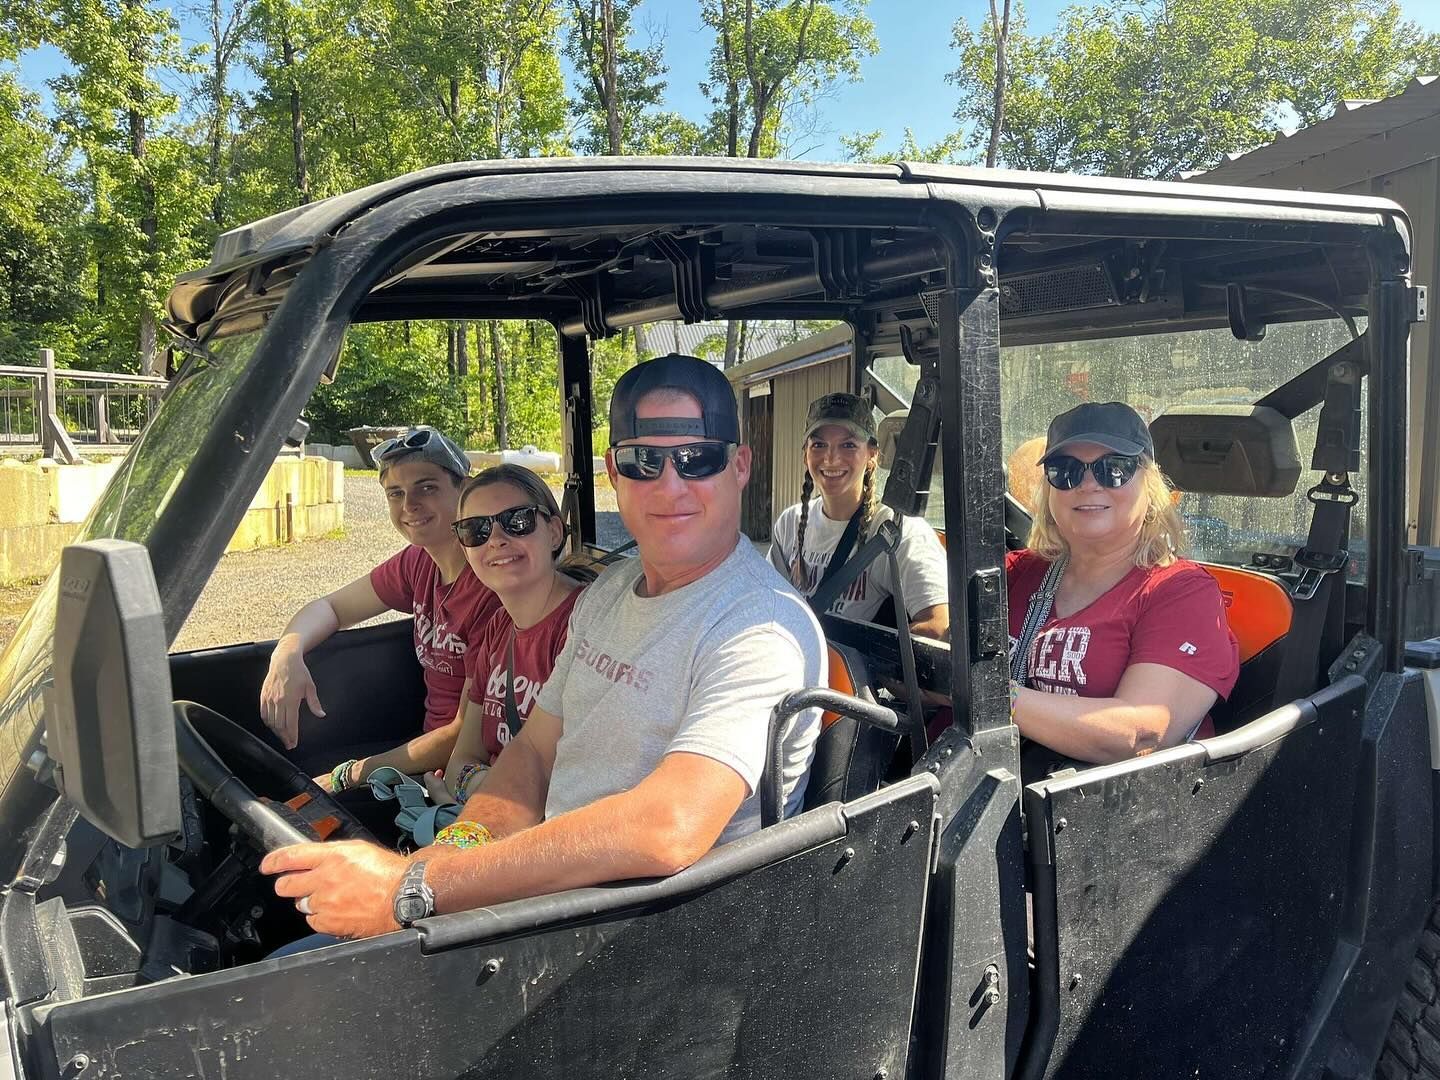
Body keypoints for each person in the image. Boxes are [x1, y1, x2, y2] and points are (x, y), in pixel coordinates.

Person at [261, 353, 825, 942]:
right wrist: (448, 856)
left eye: (697, 459)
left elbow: (669, 824)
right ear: (613, 470)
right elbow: (531, 754)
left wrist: (414, 889)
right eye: (643, 461)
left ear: (739, 465)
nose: (670, 485)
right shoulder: (609, 594)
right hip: (549, 901)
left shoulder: (759, 629)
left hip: (651, 931)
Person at [258, 427, 501, 793]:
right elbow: (332, 607)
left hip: (464, 772)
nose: (409, 505)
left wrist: (353, 773)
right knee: (296, 780)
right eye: (396, 494)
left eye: (427, 487)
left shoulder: (491, 588)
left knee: (311, 797)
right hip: (426, 757)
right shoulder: (417, 564)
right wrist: (287, 652)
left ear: (465, 490)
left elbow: (462, 737)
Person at [1007, 401, 1239, 765]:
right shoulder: (1014, 574)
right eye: (1064, 470)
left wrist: (991, 700)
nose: (1086, 485)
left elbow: (1141, 733)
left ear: (1149, 486)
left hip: (1105, 809)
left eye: (1113, 469)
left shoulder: (1181, 592)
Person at [430, 464, 592, 806]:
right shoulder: (498, 626)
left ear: (553, 531)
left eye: (518, 520)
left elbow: (574, 787)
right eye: (476, 530)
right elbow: (462, 757)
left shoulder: (587, 626)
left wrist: (465, 794)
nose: (497, 539)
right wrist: (482, 792)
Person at [769, 392, 949, 640]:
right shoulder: (789, 523)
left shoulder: (899, 533)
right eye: (819, 445)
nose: (831, 458)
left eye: (849, 445)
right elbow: (768, 604)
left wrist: (870, 657)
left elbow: (938, 626)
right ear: (805, 454)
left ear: (872, 454)